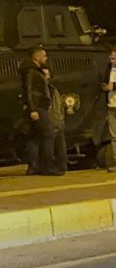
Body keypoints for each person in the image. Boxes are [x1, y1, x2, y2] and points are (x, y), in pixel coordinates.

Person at [20, 47, 56, 175]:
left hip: (34, 107)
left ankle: (33, 166)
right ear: (37, 57)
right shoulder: (31, 71)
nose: (46, 58)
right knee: (48, 135)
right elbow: (29, 91)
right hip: (38, 107)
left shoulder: (32, 70)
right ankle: (48, 166)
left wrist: (45, 78)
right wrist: (33, 109)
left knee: (33, 137)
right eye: (44, 56)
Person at [44, 66, 68, 176]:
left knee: (58, 146)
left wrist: (60, 119)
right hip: (53, 121)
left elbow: (58, 106)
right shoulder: (49, 89)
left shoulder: (52, 89)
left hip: (56, 121)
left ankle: (60, 166)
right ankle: (56, 167)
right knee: (55, 145)